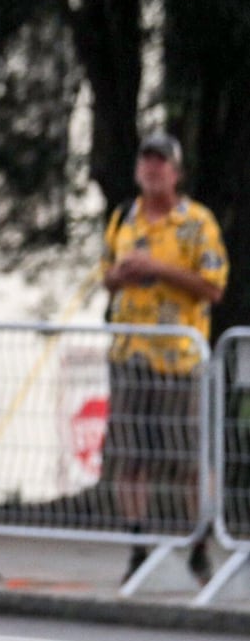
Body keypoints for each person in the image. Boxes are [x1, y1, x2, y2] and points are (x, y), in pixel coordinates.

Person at [101, 131, 227, 583]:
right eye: (146, 161)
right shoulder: (123, 218)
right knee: (131, 455)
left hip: (179, 358)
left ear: (176, 172)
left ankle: (199, 545)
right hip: (130, 353)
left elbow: (213, 286)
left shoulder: (197, 222)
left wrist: (158, 269)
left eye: (161, 162)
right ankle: (138, 546)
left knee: (188, 457)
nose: (152, 169)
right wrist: (120, 274)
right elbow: (105, 279)